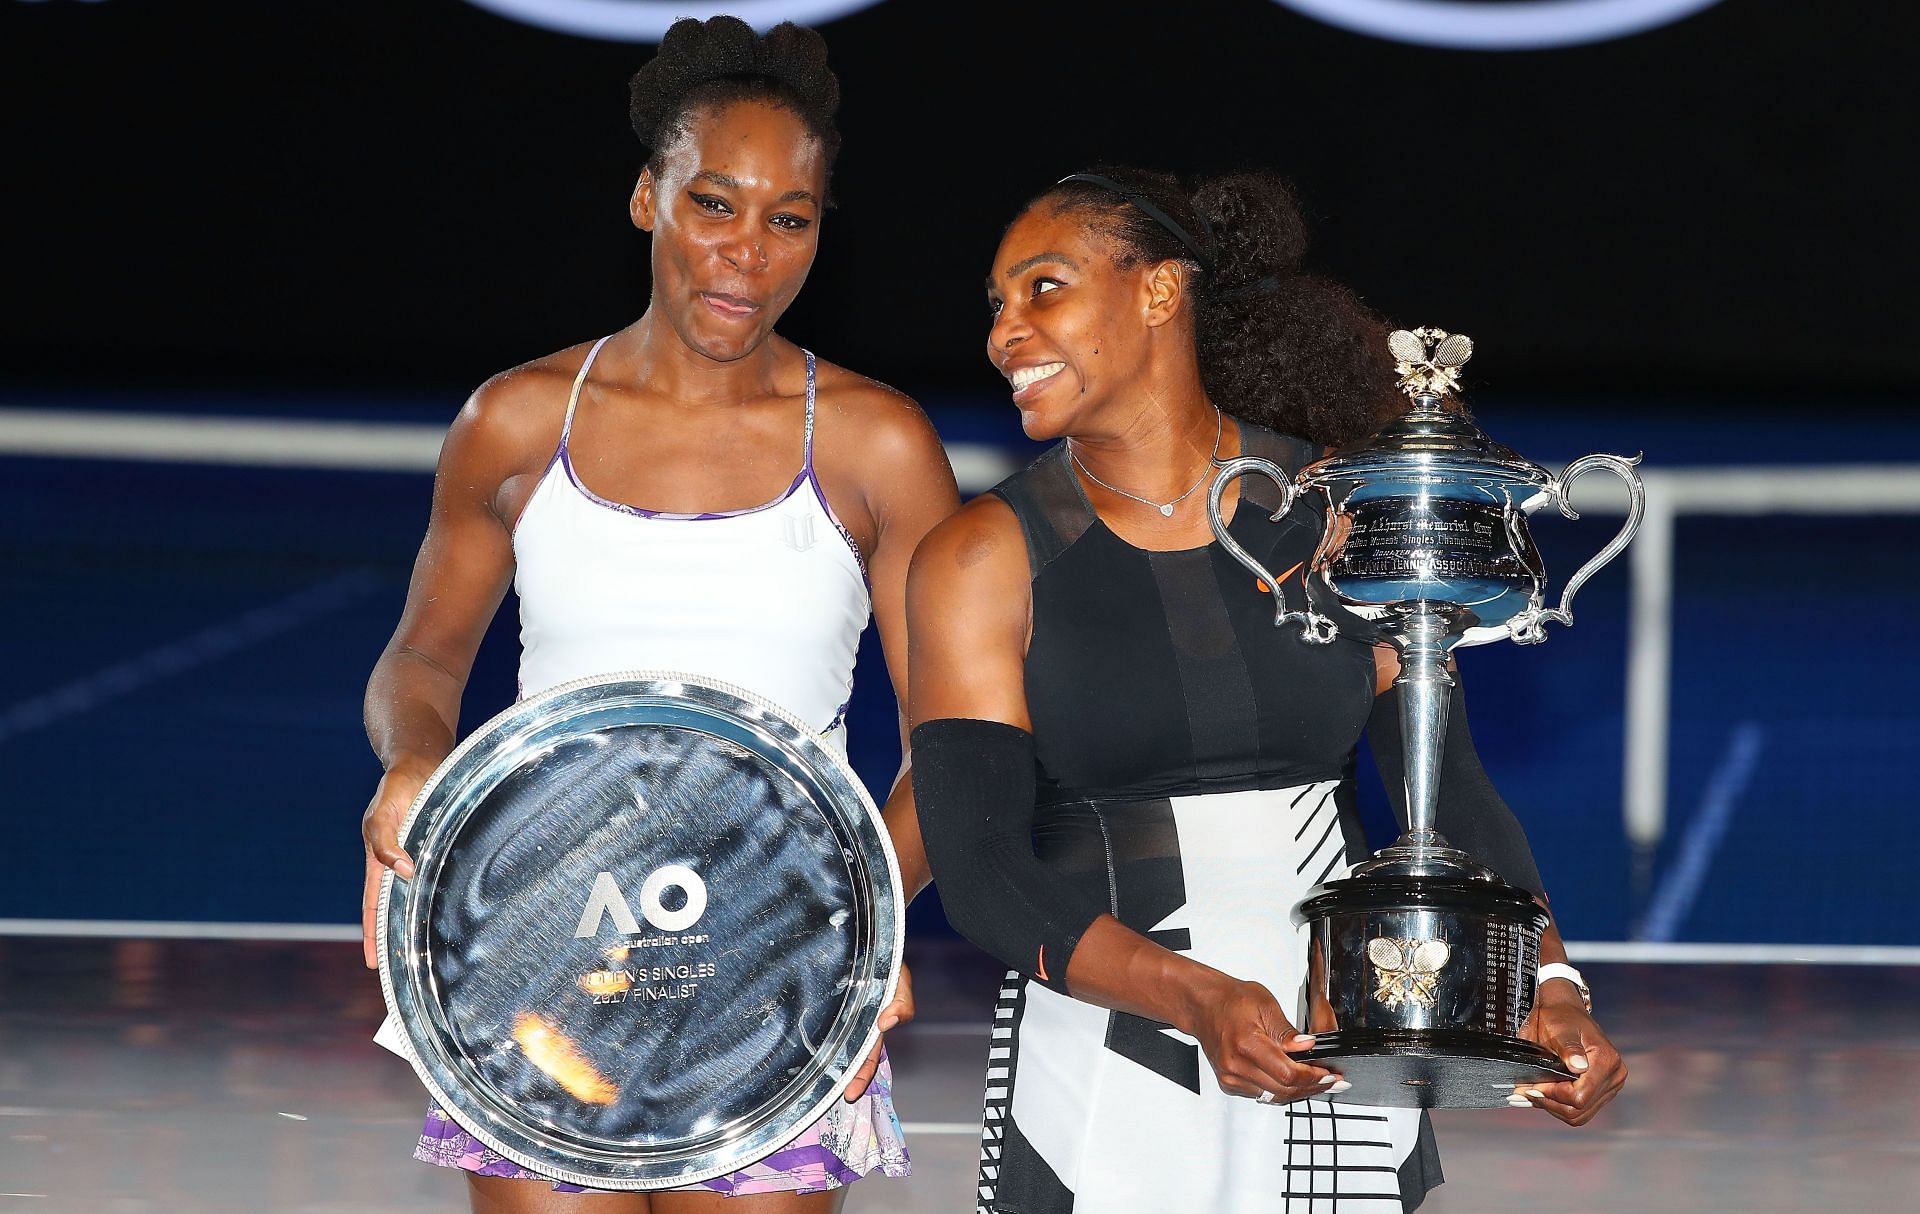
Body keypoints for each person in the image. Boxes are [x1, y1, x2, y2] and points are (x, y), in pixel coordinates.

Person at [906, 167, 1626, 1212]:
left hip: (1345, 1042)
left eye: (1043, 288)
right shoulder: (981, 556)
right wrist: (1193, 995)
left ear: (1158, 291)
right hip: (1107, 1064)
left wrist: (1550, 982)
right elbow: (981, 870)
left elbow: (1451, 793)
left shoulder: (1340, 512)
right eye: (997, 304)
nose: (1005, 331)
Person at [357, 18, 958, 1212]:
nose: (747, 253)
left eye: (789, 218)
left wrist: (855, 916)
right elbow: (423, 653)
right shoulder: (518, 419)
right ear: (648, 198)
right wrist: (416, 758)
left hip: (781, 959)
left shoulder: (875, 441)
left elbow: (961, 731)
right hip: (541, 937)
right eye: (714, 204)